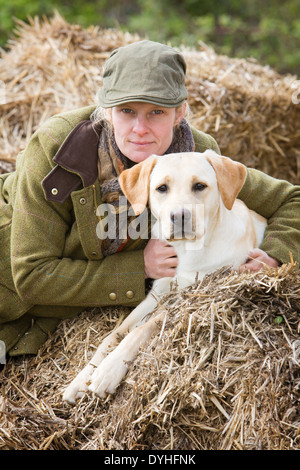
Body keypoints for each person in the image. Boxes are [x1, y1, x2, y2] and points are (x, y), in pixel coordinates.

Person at [0, 40, 299, 357]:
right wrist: (138, 267)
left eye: (156, 112)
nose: (140, 129)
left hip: (52, 316)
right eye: (127, 111)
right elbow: (31, 275)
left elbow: (292, 200)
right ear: (108, 111)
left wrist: (275, 256)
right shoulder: (58, 146)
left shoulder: (197, 158)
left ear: (179, 113)